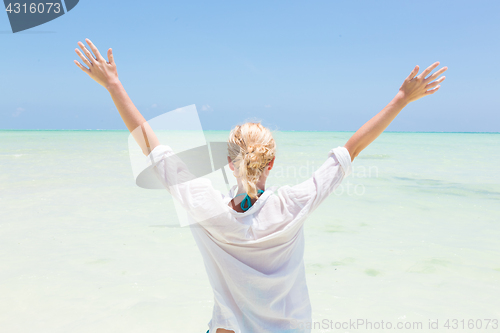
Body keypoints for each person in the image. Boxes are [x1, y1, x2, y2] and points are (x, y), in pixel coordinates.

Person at [74, 38, 447, 333]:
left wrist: (113, 85)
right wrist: (401, 99)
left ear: (228, 161)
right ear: (271, 162)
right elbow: (352, 149)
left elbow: (151, 146)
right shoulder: (293, 205)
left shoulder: (206, 208)